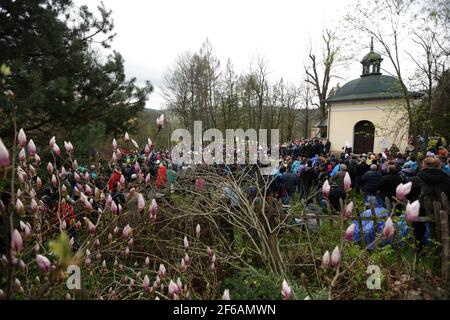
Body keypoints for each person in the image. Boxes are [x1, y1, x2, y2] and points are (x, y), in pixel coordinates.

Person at [408, 157, 450, 247]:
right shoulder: (447, 179)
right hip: (443, 211)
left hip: (420, 211)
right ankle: (442, 246)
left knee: (417, 228)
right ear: (439, 166)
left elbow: (408, 196)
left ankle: (420, 248)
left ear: (425, 166)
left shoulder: (416, 179)